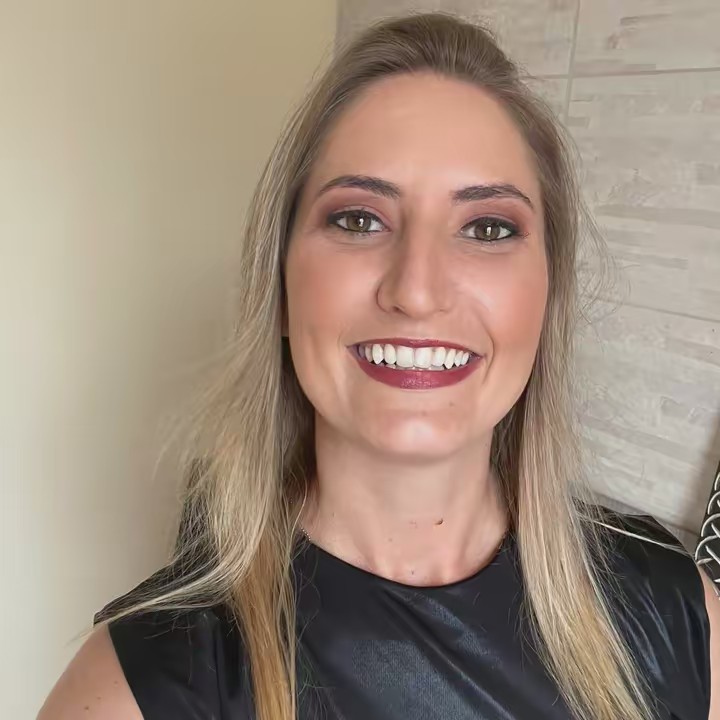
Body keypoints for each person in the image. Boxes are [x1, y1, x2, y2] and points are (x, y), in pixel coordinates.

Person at [39, 11, 720, 720]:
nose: (417, 291)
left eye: (488, 228)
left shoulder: (679, 613)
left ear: (547, 297)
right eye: (359, 219)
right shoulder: (139, 684)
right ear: (279, 286)